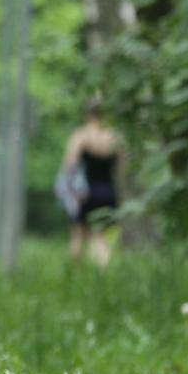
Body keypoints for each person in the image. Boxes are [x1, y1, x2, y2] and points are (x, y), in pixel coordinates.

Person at [61, 100, 124, 267]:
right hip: (109, 191)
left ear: (88, 114)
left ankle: (77, 275)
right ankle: (103, 273)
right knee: (102, 237)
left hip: (86, 192)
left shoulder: (81, 136)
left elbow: (70, 164)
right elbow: (122, 167)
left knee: (79, 234)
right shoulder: (116, 137)